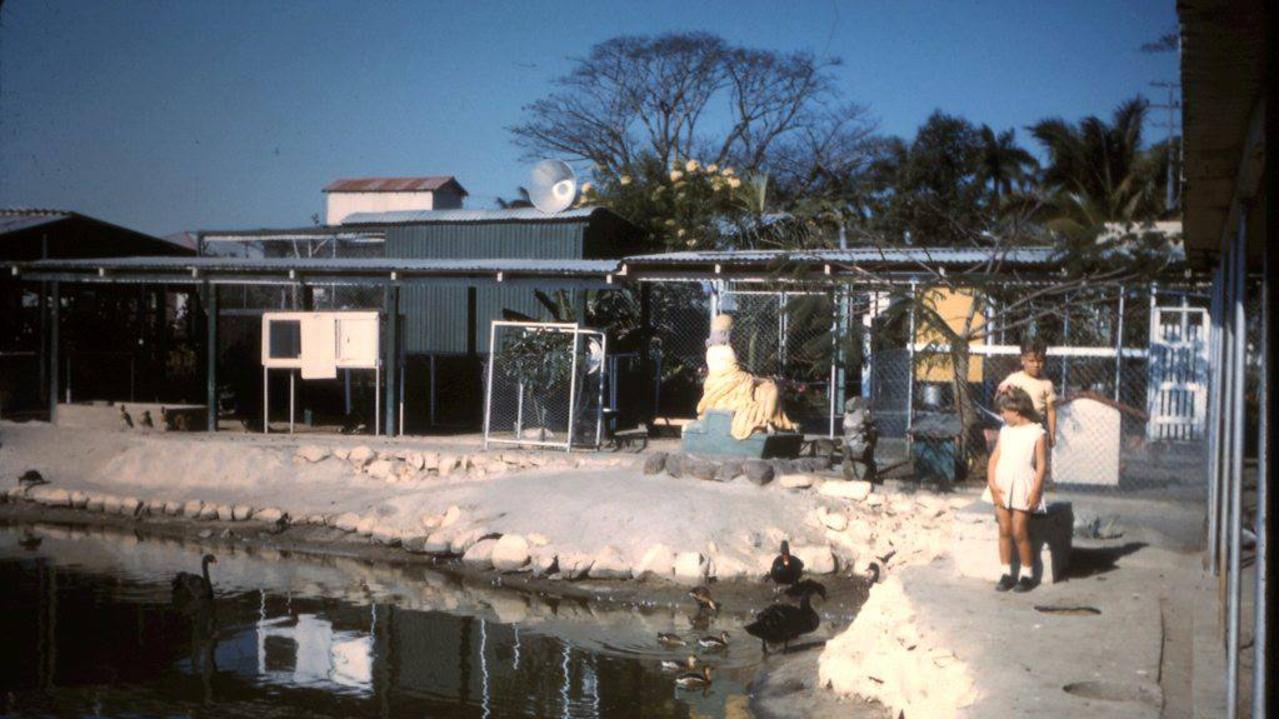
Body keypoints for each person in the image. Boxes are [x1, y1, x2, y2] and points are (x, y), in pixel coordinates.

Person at [983, 386, 1048, 593]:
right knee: (1004, 529)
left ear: (1016, 410)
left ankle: (1027, 574)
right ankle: (1006, 573)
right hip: (1002, 485)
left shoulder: (1037, 432)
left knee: (1019, 530)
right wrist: (992, 484)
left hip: (1023, 486)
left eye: (1003, 411)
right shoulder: (1005, 431)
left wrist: (1036, 490)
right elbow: (994, 459)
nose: (1001, 415)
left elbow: (1042, 465)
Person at [696, 314, 796, 440]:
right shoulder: (726, 350)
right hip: (733, 390)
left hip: (723, 387)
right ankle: (770, 421)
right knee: (770, 389)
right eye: (732, 330)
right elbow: (736, 377)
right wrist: (762, 379)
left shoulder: (710, 350)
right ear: (726, 332)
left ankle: (771, 422)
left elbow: (733, 374)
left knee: (765, 390)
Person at [998, 338, 1057, 446]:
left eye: (1039, 361)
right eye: (1031, 361)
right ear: (1023, 360)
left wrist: (1052, 435)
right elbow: (1000, 399)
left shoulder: (1047, 384)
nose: (1036, 365)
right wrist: (1004, 390)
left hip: (1036, 430)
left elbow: (1051, 411)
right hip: (1016, 431)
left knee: (1038, 460)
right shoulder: (1013, 379)